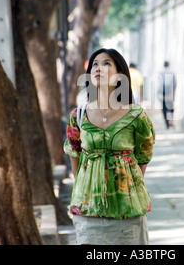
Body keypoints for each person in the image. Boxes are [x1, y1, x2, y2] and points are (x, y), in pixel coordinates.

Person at [63, 48, 156, 245]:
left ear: (120, 75)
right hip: (88, 211)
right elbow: (75, 155)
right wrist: (84, 188)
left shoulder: (136, 116)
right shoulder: (78, 116)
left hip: (127, 211)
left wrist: (127, 190)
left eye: (107, 64)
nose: (99, 68)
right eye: (95, 64)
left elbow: (143, 158)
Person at [158, 61, 176, 129]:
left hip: (163, 94)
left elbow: (159, 83)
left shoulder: (160, 73)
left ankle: (167, 123)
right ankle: (170, 121)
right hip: (170, 94)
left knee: (164, 108)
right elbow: (175, 84)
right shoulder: (172, 73)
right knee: (170, 108)